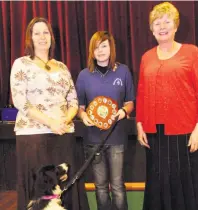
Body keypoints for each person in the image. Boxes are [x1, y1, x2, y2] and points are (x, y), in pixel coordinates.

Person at [10, 17, 89, 210]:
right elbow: (20, 100)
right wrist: (49, 122)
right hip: (33, 135)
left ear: (51, 37)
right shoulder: (21, 64)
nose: (42, 37)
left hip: (63, 135)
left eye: (45, 32)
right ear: (30, 38)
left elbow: (73, 100)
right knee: (39, 194)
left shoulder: (62, 67)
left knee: (66, 189)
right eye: (36, 33)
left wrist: (65, 120)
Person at [136, 2, 198, 210]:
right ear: (152, 29)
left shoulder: (192, 53)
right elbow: (142, 93)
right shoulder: (146, 57)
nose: (162, 26)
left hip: (186, 132)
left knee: (186, 184)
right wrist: (139, 125)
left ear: (176, 26)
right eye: (157, 23)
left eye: (167, 21)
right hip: (155, 134)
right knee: (158, 182)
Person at [76, 31, 135, 210]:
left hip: (116, 138)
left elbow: (130, 102)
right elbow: (79, 106)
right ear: (91, 51)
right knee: (100, 186)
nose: (100, 51)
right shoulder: (84, 75)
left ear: (111, 48)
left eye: (104, 46)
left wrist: (124, 111)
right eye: (96, 47)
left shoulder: (123, 71)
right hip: (93, 140)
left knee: (117, 185)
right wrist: (83, 116)